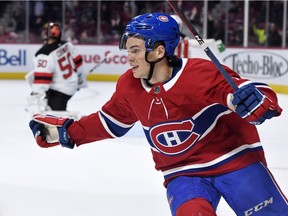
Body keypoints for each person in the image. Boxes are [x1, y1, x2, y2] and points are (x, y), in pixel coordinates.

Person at [29, 13, 288, 216]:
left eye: (135, 50)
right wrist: (66, 132)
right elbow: (109, 122)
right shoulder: (129, 86)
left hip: (236, 163)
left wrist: (255, 102)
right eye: (128, 50)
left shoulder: (201, 73)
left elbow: (244, 92)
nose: (128, 58)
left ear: (159, 51)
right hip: (183, 173)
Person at [26, 22, 87, 114]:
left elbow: (43, 78)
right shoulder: (67, 45)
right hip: (72, 84)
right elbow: (78, 61)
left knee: (54, 116)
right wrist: (80, 77)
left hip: (60, 90)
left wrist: (36, 94)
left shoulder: (44, 54)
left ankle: (74, 121)